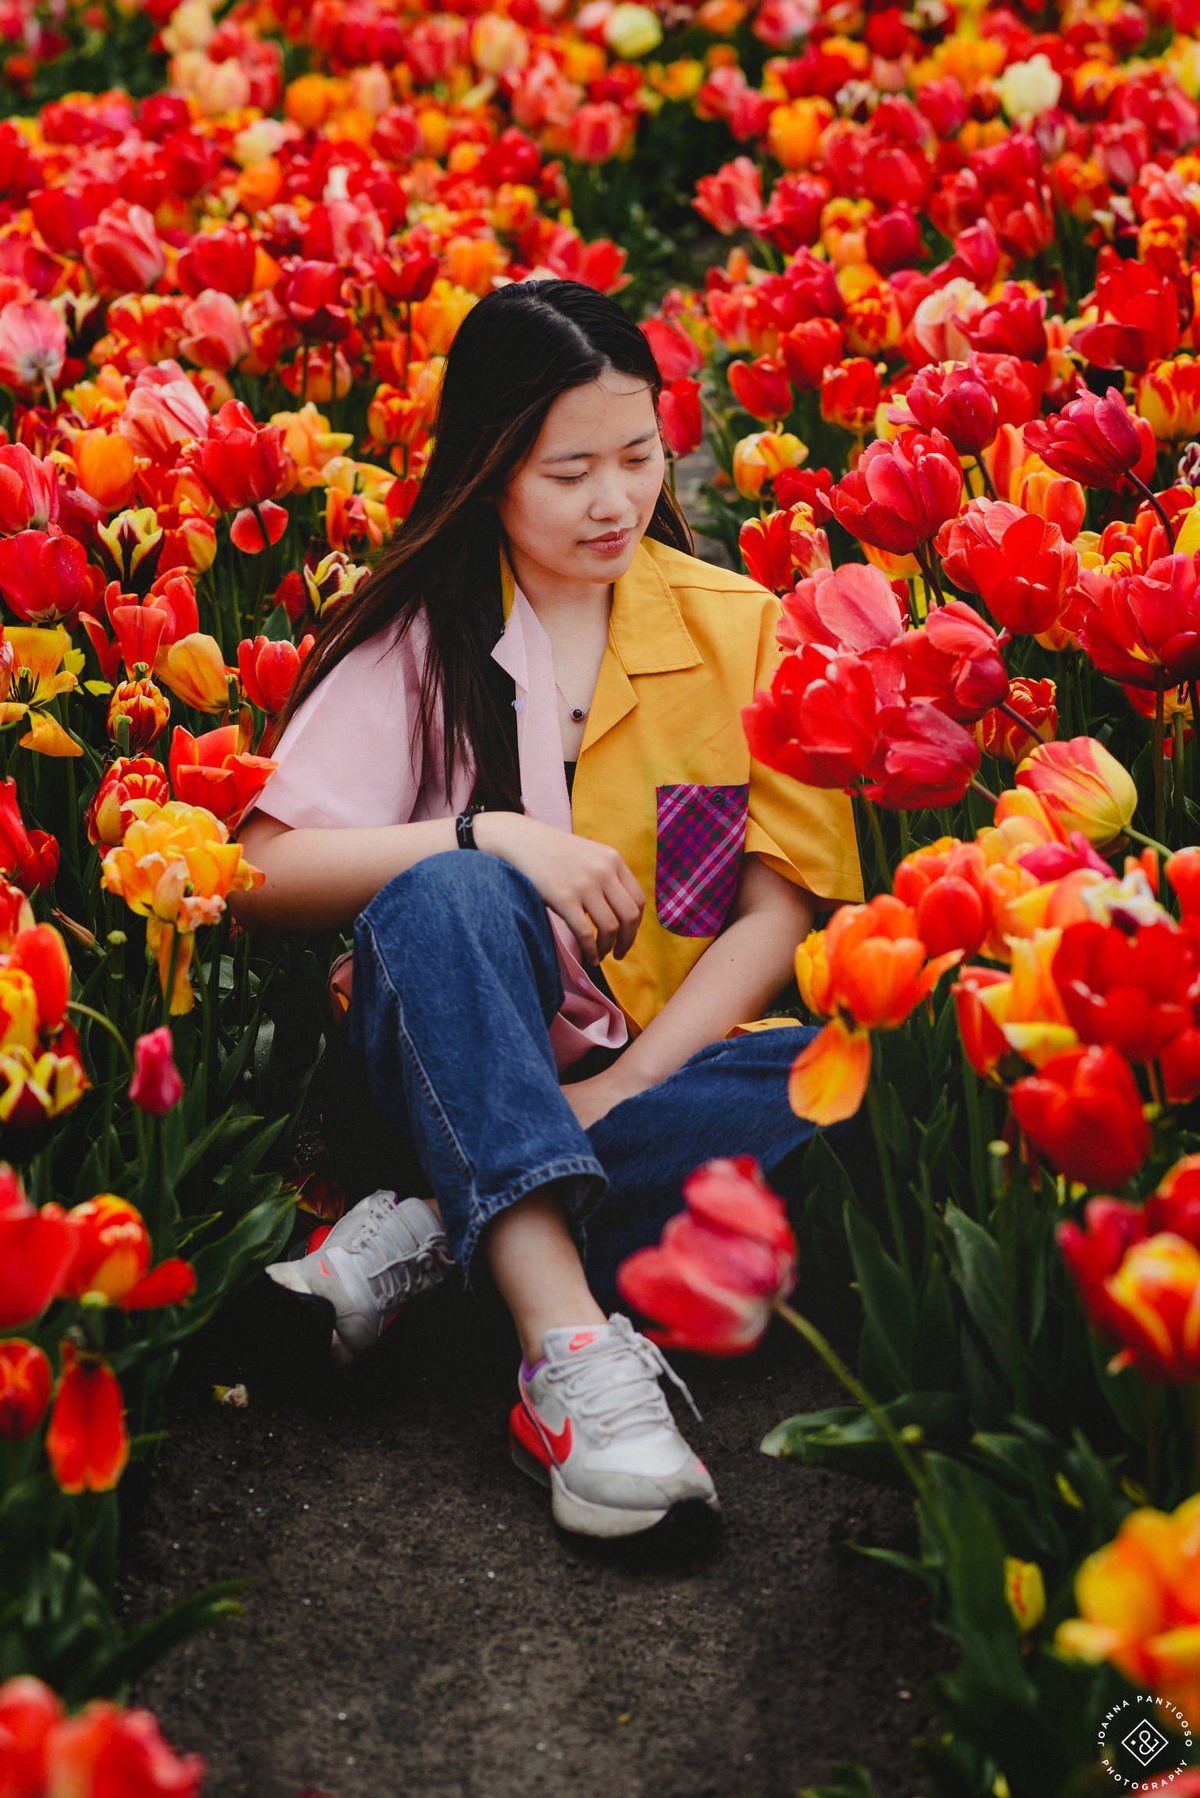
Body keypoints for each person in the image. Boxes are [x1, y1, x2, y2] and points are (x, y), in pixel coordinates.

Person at [234, 279, 863, 1541]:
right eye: (570, 469)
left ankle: (441, 1227)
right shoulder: (423, 638)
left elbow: (775, 912)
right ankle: (571, 1358)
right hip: (438, 1070)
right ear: (488, 473)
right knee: (457, 890)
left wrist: (613, 1098)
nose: (615, 499)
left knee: (891, 1070)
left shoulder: (737, 627)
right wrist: (492, 832)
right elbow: (259, 871)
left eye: (638, 455)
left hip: (666, 1072)